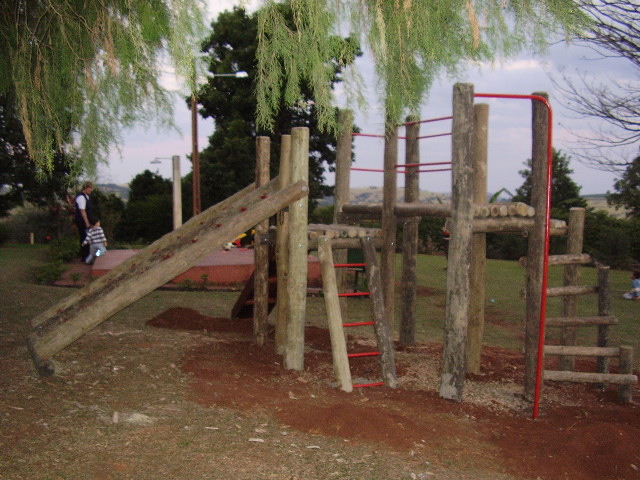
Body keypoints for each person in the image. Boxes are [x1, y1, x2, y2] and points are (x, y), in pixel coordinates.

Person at [74, 181, 95, 260]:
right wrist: (87, 223)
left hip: (88, 221)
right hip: (82, 221)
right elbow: (83, 211)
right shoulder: (81, 197)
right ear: (86, 188)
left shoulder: (87, 196)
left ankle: (89, 256)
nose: (91, 190)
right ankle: (85, 257)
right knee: (84, 238)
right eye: (89, 188)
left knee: (90, 239)